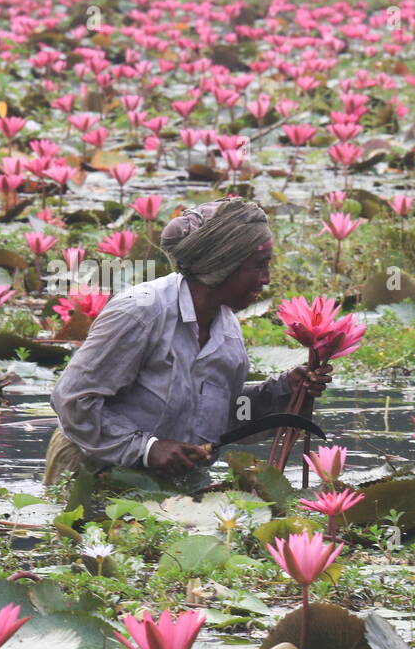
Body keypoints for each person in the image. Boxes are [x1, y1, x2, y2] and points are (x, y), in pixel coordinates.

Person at [45, 198, 333, 484]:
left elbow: (221, 412)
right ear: (224, 263)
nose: (267, 279)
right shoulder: (140, 313)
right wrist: (147, 449)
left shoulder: (227, 330)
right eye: (259, 266)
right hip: (89, 468)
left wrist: (283, 391)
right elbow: (73, 399)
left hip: (165, 481)